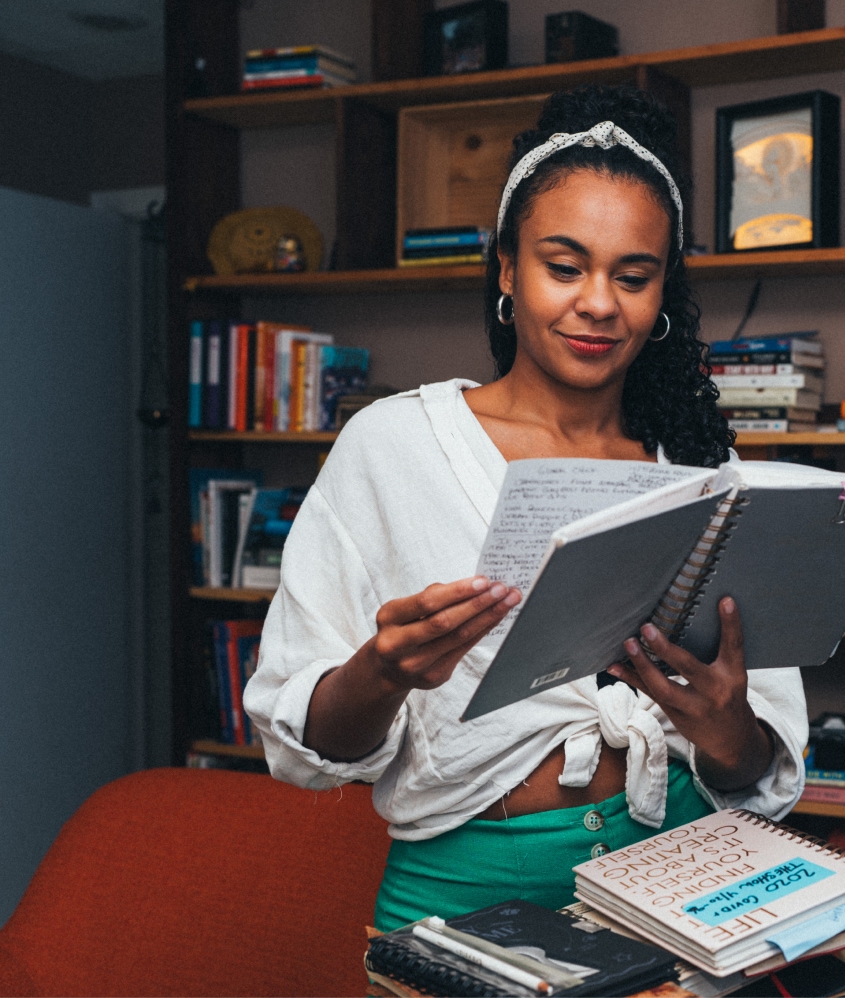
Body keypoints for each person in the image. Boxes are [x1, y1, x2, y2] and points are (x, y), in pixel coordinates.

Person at [243, 85, 808, 931]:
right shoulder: (395, 446)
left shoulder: (698, 466)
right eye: (565, 265)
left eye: (634, 274)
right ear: (507, 267)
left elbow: (757, 767)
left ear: (662, 294)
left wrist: (732, 731)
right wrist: (384, 671)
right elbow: (305, 748)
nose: (598, 304)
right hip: (473, 890)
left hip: (683, 869)